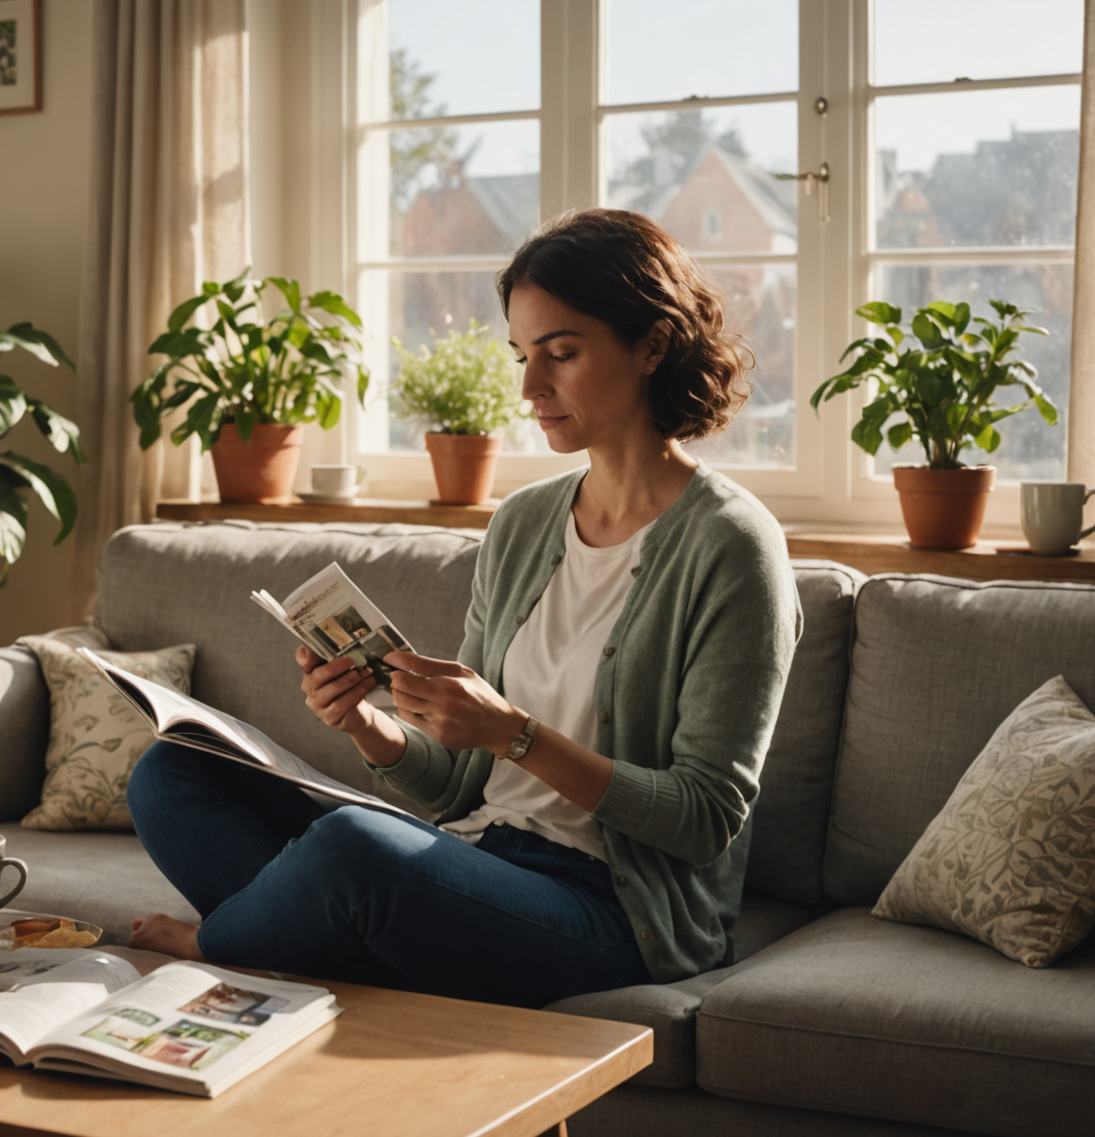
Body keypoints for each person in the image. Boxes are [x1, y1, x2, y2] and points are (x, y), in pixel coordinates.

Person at [124, 208, 802, 1009]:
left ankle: (226, 948)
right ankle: (332, 945)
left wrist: (514, 734)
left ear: (652, 344)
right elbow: (454, 792)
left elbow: (703, 820)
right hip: (476, 860)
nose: (529, 388)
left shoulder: (732, 546)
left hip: (612, 912)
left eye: (562, 353)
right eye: (522, 355)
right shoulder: (524, 524)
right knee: (176, 771)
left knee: (353, 848)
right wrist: (366, 726)